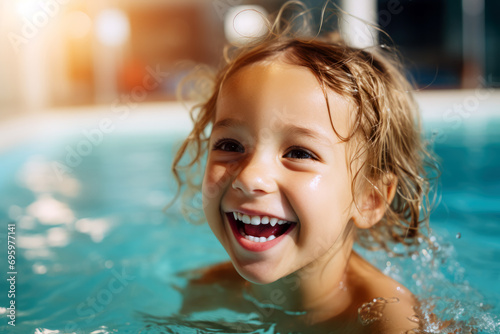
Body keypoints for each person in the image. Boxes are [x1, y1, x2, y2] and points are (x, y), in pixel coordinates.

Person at [169, 2, 435, 333]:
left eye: (299, 153)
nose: (250, 178)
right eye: (230, 146)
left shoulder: (389, 323)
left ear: (370, 198)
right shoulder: (209, 290)